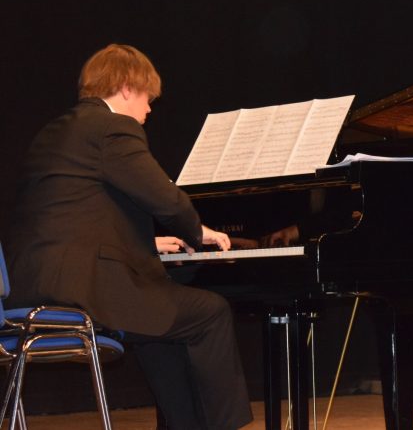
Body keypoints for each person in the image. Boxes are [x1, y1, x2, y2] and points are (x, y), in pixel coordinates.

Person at [3, 44, 253, 430]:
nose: (149, 110)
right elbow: (164, 198)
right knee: (210, 312)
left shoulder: (57, 130)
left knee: (159, 320)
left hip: (31, 287)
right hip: (81, 289)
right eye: (147, 98)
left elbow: (72, 215)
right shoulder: (112, 128)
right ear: (126, 88)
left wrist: (145, 244)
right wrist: (197, 229)